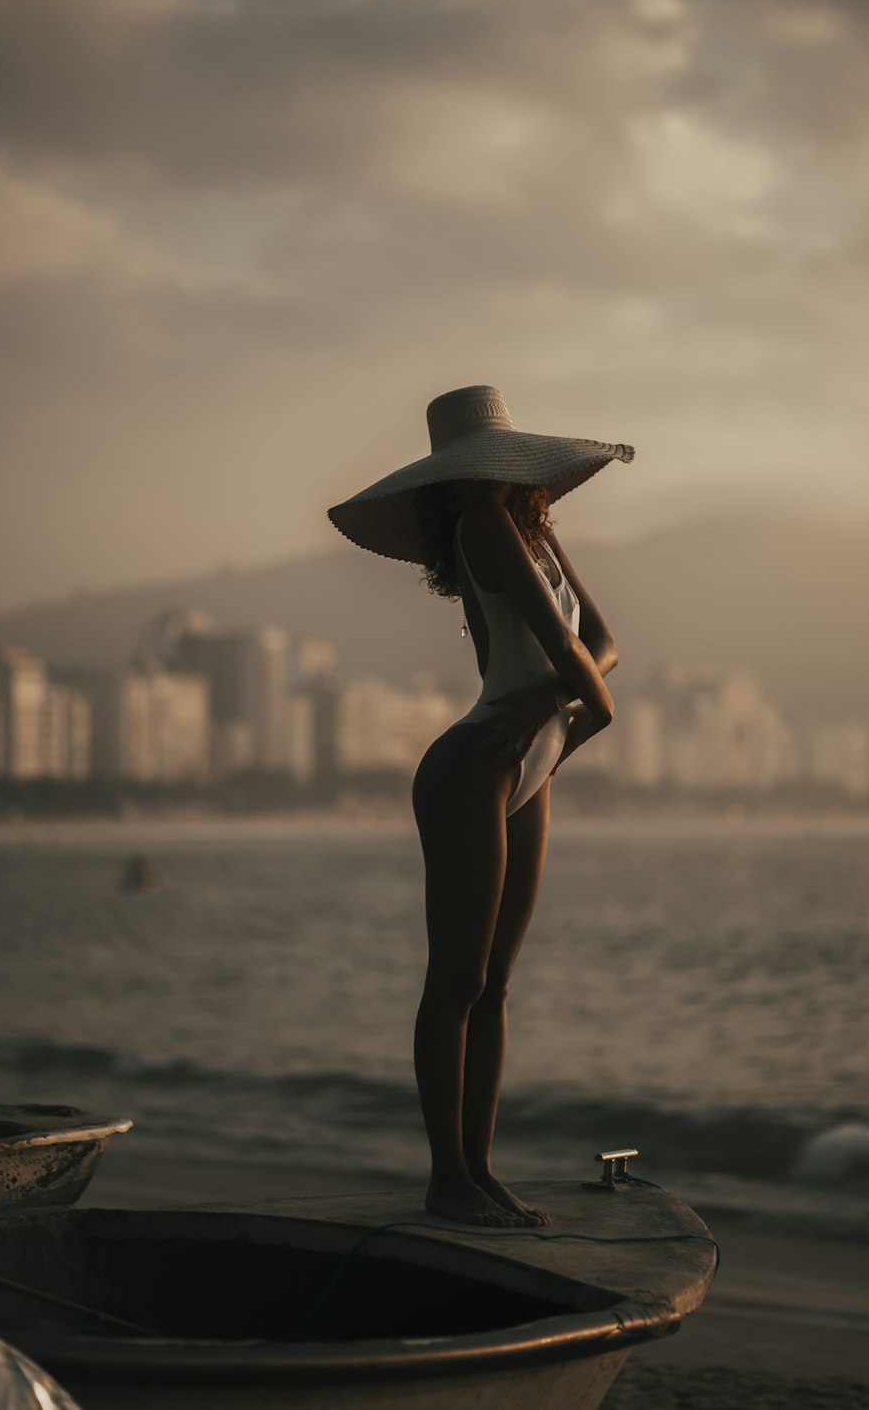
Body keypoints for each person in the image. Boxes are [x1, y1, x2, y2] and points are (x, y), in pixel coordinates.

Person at [328, 385, 634, 1226]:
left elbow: (603, 643)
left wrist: (561, 708)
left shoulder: (536, 532)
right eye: (459, 479)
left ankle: (481, 1174)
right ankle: (447, 1180)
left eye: (481, 472)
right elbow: (566, 649)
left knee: (495, 986)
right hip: (476, 767)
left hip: (526, 758)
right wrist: (589, 711)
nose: (473, 486)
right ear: (450, 486)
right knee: (456, 980)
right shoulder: (483, 528)